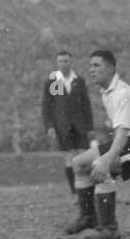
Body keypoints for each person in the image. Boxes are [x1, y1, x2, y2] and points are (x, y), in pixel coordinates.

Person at [67, 49, 130, 239]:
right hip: (127, 140)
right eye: (90, 65)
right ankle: (89, 217)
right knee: (78, 163)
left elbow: (123, 134)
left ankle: (109, 228)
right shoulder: (107, 92)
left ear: (110, 69)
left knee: (101, 167)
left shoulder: (122, 94)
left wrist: (105, 159)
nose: (91, 70)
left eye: (97, 65)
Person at [41, 50, 95, 198]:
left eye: (66, 61)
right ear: (56, 63)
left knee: (82, 157)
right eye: (60, 61)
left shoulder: (78, 80)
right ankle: (75, 191)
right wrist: (50, 126)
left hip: (79, 125)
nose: (63, 64)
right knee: (70, 158)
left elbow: (86, 105)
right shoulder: (53, 82)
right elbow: (47, 106)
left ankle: (86, 189)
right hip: (62, 126)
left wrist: (90, 127)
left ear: (71, 62)